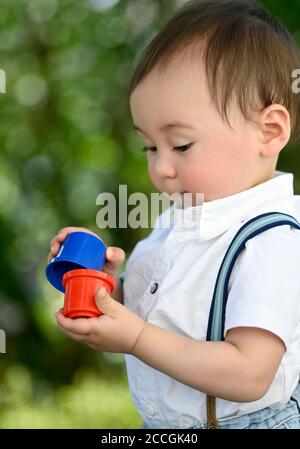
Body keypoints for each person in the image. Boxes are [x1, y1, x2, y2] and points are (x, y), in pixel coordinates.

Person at [48, 0, 300, 429]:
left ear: (269, 131)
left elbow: (249, 373)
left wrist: (137, 339)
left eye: (180, 145)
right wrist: (103, 291)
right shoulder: (177, 221)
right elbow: (164, 313)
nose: (161, 168)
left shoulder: (271, 241)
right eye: (150, 147)